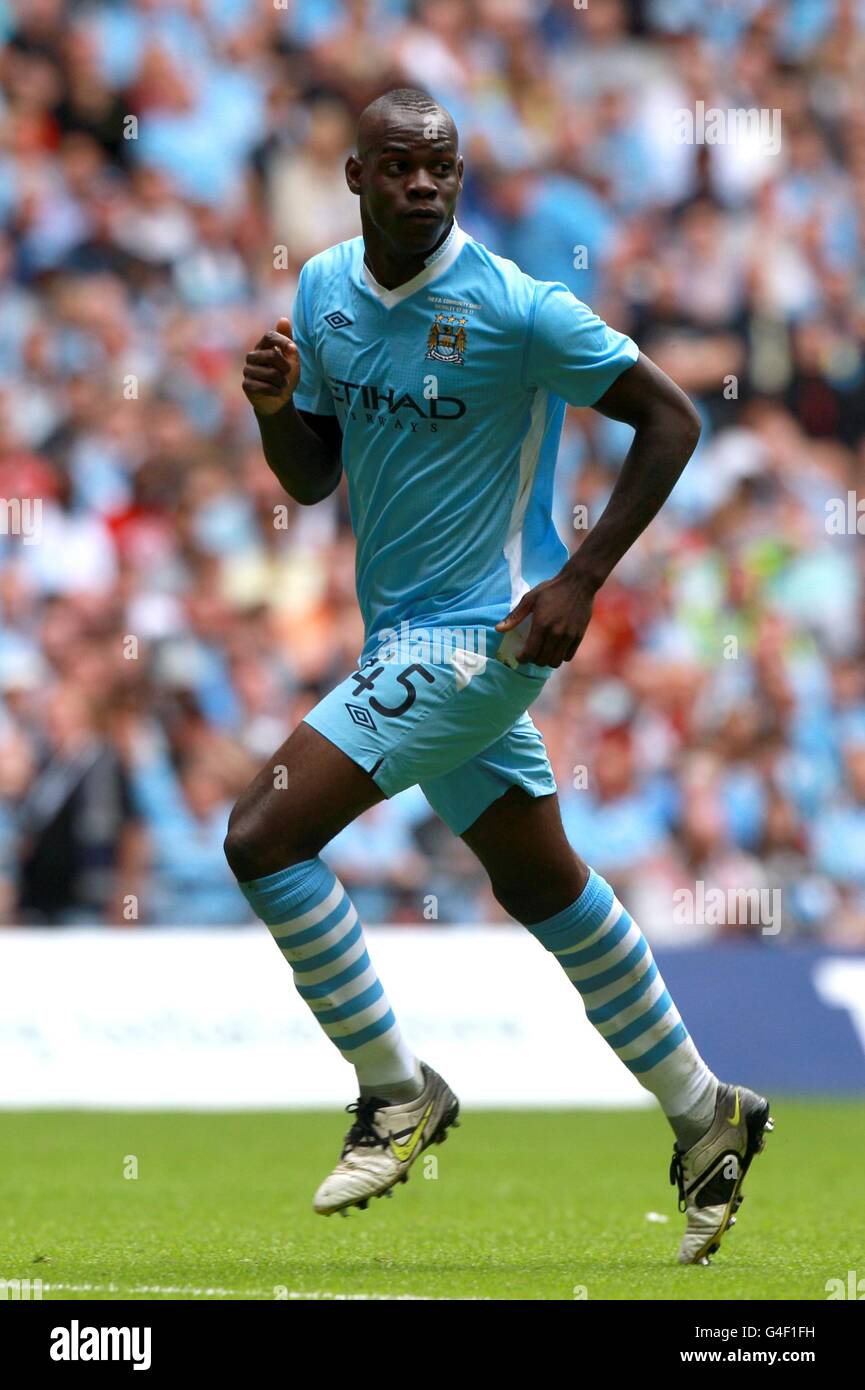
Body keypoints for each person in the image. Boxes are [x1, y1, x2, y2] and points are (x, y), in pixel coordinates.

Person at [227, 87, 772, 1265]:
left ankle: (395, 1091)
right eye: (400, 168)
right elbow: (313, 476)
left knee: (262, 835)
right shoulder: (323, 290)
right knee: (547, 890)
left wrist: (578, 578)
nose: (424, 186)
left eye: (443, 168)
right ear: (357, 176)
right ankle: (705, 1112)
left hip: (481, 642)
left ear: (458, 177)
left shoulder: (517, 307)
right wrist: (276, 409)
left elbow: (670, 418)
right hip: (395, 639)